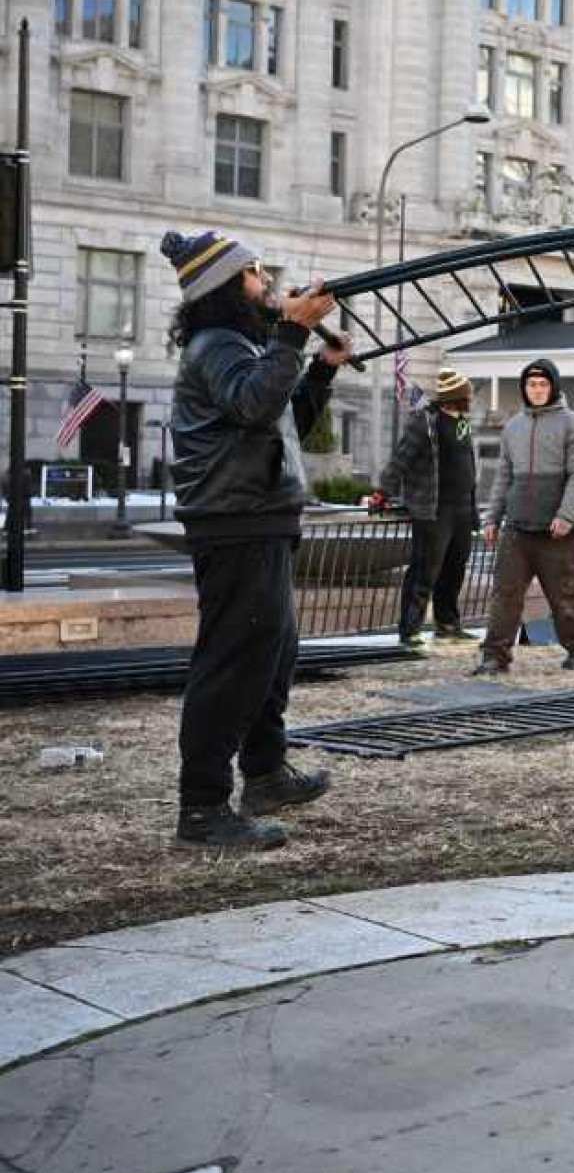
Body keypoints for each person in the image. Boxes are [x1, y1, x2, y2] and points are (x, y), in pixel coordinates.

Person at [161, 230, 349, 850]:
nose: (266, 283)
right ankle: (202, 810)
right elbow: (250, 403)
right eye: (254, 274)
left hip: (260, 515)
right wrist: (293, 335)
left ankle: (265, 773)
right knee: (233, 660)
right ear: (223, 287)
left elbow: (279, 416)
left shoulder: (240, 344)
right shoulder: (218, 346)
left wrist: (317, 371)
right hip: (235, 519)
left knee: (272, 653)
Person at [476, 358, 574, 674]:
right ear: (524, 388)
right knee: (505, 596)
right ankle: (494, 658)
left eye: (543, 384)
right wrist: (491, 518)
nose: (537, 390)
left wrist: (566, 515)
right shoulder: (513, 427)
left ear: (553, 387)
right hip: (517, 529)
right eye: (531, 384)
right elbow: (503, 477)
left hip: (556, 531)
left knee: (564, 597)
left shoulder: (573, 424)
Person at [380, 368, 479, 646]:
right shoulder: (425, 422)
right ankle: (410, 628)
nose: (471, 398)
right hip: (434, 509)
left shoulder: (462, 423)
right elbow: (401, 460)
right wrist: (382, 493)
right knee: (425, 570)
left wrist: (472, 510)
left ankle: (447, 622)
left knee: (455, 567)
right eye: (468, 394)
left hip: (461, 509)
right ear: (458, 397)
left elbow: (468, 464)